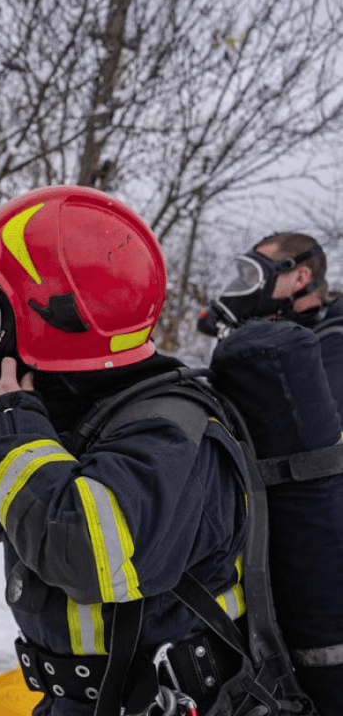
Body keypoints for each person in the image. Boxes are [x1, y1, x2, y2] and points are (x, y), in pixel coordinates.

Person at [0, 186, 248, 715]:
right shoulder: (68, 412)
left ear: (52, 320)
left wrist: (9, 423)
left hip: (167, 702)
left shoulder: (170, 433)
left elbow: (88, 557)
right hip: (76, 701)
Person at [198, 231, 343, 712]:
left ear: (300, 276)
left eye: (253, 275)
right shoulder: (285, 345)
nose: (243, 287)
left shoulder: (328, 349)